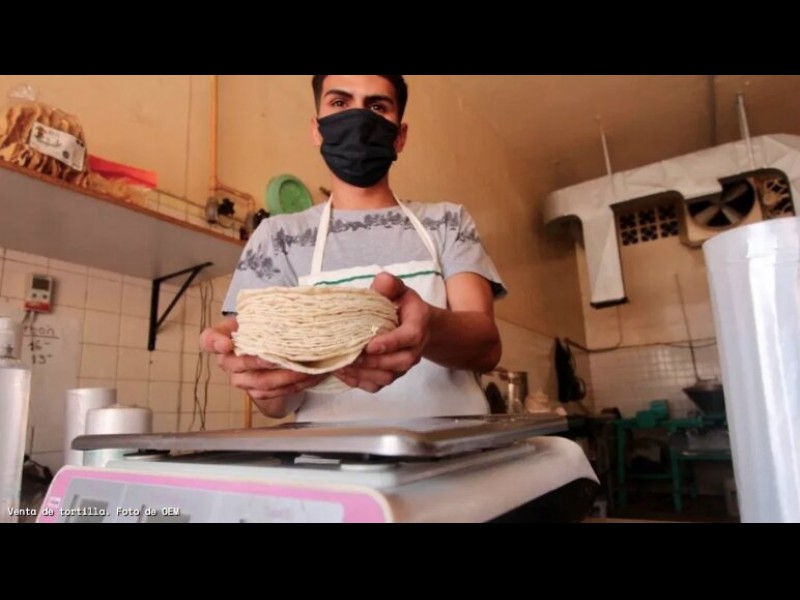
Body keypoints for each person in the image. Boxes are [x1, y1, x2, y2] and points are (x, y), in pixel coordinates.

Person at [200, 75, 507, 422]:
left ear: (400, 136)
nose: (358, 119)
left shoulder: (448, 222)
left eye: (377, 106)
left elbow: (487, 348)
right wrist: (259, 370)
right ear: (317, 129)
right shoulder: (277, 237)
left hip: (451, 447)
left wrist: (429, 326)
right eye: (340, 103)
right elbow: (275, 406)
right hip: (330, 453)